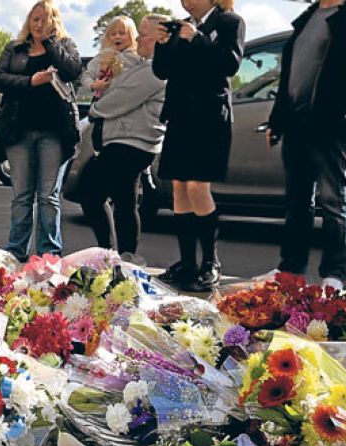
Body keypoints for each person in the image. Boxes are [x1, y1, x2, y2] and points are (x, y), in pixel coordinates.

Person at [265, 0, 346, 291]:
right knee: (298, 202)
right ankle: (291, 270)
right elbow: (289, 74)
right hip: (296, 124)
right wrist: (277, 120)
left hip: (329, 126)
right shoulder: (309, 16)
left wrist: (330, 114)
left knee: (333, 201)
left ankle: (333, 275)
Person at [152, 0, 244, 291]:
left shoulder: (229, 22)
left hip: (209, 117)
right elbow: (162, 71)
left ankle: (210, 263)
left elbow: (230, 63)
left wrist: (200, 39)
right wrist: (164, 44)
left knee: (196, 186)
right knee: (179, 187)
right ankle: (187, 263)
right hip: (180, 116)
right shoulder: (180, 26)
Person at [0, 0, 81, 262]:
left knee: (48, 196)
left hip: (53, 133)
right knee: (21, 196)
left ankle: (49, 255)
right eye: (35, 18)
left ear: (54, 21)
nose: (38, 24)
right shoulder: (15, 48)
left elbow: (72, 71)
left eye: (44, 19)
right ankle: (16, 252)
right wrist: (31, 81)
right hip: (18, 131)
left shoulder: (65, 46)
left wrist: (52, 44)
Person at [79, 15, 167, 255]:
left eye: (143, 34)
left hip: (129, 144)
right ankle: (122, 256)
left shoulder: (154, 68)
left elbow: (121, 97)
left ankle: (110, 254)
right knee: (124, 200)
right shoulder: (146, 64)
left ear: (160, 39)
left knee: (89, 191)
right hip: (130, 142)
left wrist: (93, 112)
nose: (137, 38)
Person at [82, 15, 138, 101]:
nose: (117, 36)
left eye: (122, 33)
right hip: (103, 104)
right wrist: (93, 85)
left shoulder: (137, 57)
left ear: (131, 36)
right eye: (113, 34)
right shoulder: (103, 56)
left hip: (128, 104)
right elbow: (87, 75)